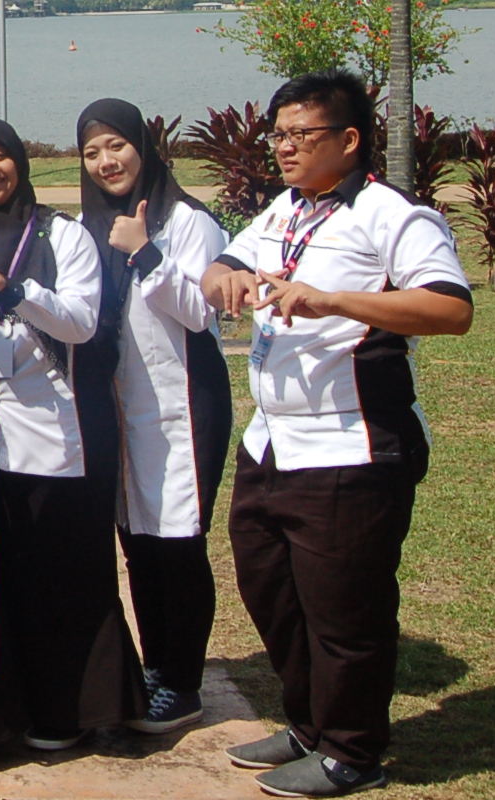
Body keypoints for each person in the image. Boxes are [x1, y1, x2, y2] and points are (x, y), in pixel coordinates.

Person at [202, 71, 471, 799]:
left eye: (301, 134)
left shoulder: (393, 215)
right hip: (271, 443)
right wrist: (223, 279)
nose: (284, 147)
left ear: (349, 140)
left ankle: (352, 751)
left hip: (352, 444)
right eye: (278, 134)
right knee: (270, 589)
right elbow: (225, 263)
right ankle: (309, 725)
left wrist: (334, 302)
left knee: (344, 610)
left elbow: (451, 309)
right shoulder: (285, 209)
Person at [0, 116, 133, 752]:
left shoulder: (61, 234)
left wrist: (15, 290)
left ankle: (76, 708)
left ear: (19, 163)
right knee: (3, 574)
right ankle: (11, 707)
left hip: (56, 428)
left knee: (64, 573)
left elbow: (81, 322)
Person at [75, 97, 234, 739]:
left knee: (178, 543)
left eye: (116, 145)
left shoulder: (186, 220)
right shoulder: (90, 226)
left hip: (181, 405)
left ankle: (183, 681)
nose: (106, 161)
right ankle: (155, 667)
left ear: (143, 145)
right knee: (138, 543)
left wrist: (144, 253)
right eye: (92, 152)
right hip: (119, 408)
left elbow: (202, 311)